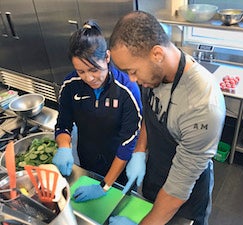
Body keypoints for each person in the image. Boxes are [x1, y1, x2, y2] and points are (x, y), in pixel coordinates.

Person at [108, 11, 226, 225]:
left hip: (185, 199)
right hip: (156, 175)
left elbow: (176, 191)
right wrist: (139, 151)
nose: (132, 80)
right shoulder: (154, 74)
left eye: (132, 71)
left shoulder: (201, 104)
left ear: (157, 54)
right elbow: (151, 114)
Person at [52, 19, 143, 202]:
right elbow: (63, 124)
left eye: (94, 69)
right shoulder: (70, 86)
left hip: (119, 161)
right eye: (81, 71)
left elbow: (128, 140)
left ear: (107, 57)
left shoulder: (126, 89)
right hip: (88, 156)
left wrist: (105, 186)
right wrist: (63, 146)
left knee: (117, 204)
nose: (89, 78)